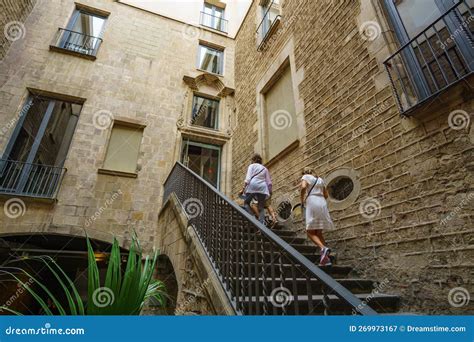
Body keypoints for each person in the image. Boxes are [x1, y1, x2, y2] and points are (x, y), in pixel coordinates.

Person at [300, 168, 334, 266]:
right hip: (322, 202)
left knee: (309, 231)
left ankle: (323, 248)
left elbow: (303, 187)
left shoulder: (305, 177)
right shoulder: (320, 179)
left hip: (312, 201)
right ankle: (326, 259)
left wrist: (302, 200)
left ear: (304, 173)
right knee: (318, 232)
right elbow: (326, 195)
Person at [239, 153, 272, 224]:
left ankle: (253, 217)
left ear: (253, 160)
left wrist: (243, 189)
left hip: (252, 186)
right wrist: (269, 192)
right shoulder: (264, 168)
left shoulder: (251, 166)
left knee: (246, 203)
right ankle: (262, 224)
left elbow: (247, 179)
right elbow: (269, 182)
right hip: (262, 188)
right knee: (261, 207)